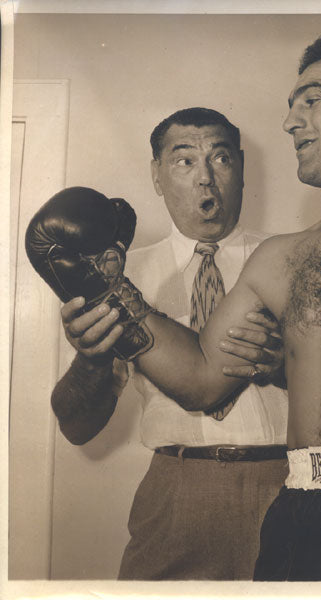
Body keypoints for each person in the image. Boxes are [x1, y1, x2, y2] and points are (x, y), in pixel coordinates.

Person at [46, 36, 321, 581]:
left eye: (311, 99)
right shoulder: (279, 259)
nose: (291, 121)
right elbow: (200, 378)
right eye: (291, 105)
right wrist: (106, 295)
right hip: (301, 510)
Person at [49, 108, 289, 580]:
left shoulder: (291, 257)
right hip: (177, 492)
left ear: (240, 169)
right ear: (156, 175)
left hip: (288, 484)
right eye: (184, 161)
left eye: (220, 158)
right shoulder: (116, 276)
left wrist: (289, 363)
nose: (205, 179)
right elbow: (76, 426)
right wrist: (93, 356)